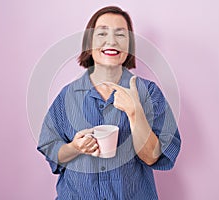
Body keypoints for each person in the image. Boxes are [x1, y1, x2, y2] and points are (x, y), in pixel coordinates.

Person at [37, 6, 181, 200]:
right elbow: (52, 151)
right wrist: (75, 148)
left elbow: (153, 157)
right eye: (102, 33)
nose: (111, 41)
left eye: (120, 35)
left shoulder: (149, 93)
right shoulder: (67, 96)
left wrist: (134, 113)